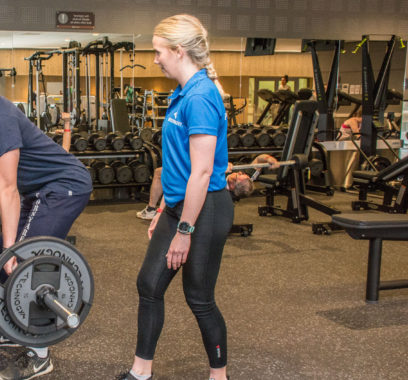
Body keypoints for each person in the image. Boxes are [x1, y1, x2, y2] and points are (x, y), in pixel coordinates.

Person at [0, 38, 92, 380]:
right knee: (10, 260)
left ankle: (39, 352)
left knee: (21, 262)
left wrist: (10, 249)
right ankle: (9, 326)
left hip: (64, 187)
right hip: (37, 190)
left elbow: (6, 189)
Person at [117, 14, 233, 380]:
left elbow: (201, 173)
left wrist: (184, 231)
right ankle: (141, 372)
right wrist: (164, 207)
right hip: (179, 205)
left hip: (206, 208)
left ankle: (219, 375)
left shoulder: (200, 97)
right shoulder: (183, 93)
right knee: (149, 284)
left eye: (158, 51)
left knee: (199, 298)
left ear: (179, 51)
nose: (155, 59)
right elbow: (180, 166)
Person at [137, 154, 279, 219]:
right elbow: (260, 159)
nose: (239, 172)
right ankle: (153, 209)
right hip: (198, 172)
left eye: (238, 175)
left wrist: (219, 168)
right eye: (242, 173)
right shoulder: (246, 180)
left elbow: (202, 174)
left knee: (160, 173)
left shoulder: (219, 189)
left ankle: (153, 210)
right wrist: (270, 160)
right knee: (159, 172)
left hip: (193, 182)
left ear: (232, 184)